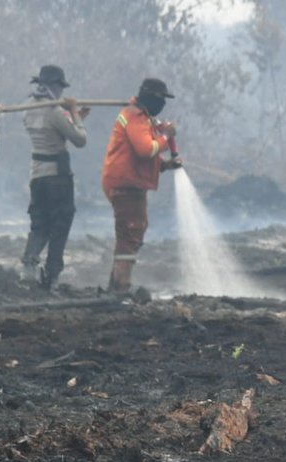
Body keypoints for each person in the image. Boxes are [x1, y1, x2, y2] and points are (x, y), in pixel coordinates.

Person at [101, 77, 180, 295]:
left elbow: (143, 157)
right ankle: (121, 288)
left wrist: (164, 165)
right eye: (161, 99)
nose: (163, 105)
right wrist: (166, 136)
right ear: (152, 98)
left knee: (132, 233)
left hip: (129, 182)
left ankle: (116, 285)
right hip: (125, 185)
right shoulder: (135, 117)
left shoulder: (143, 119)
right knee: (130, 233)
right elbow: (146, 150)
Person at [20, 65, 88, 289]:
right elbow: (80, 139)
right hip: (57, 179)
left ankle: (28, 266)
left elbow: (56, 128)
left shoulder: (27, 108)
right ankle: (52, 275)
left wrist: (73, 117)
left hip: (37, 177)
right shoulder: (54, 112)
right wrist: (75, 115)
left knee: (39, 224)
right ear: (56, 86)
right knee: (60, 225)